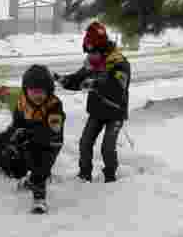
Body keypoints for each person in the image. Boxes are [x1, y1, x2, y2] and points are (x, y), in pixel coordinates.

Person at [0, 64, 65, 213]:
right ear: (26, 91)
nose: (37, 96)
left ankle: (39, 199)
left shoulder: (54, 107)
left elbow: (52, 133)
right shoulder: (22, 104)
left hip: (48, 146)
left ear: (48, 91)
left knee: (37, 164)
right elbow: (15, 127)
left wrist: (27, 134)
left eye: (41, 92)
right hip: (25, 144)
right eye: (33, 92)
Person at [56, 21, 131, 183]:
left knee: (107, 147)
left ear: (103, 50)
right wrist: (63, 80)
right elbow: (79, 79)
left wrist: (95, 84)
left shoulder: (119, 62)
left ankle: (110, 177)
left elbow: (118, 87)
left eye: (93, 52)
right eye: (88, 52)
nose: (90, 56)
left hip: (115, 111)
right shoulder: (91, 62)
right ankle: (84, 175)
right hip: (97, 111)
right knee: (85, 143)